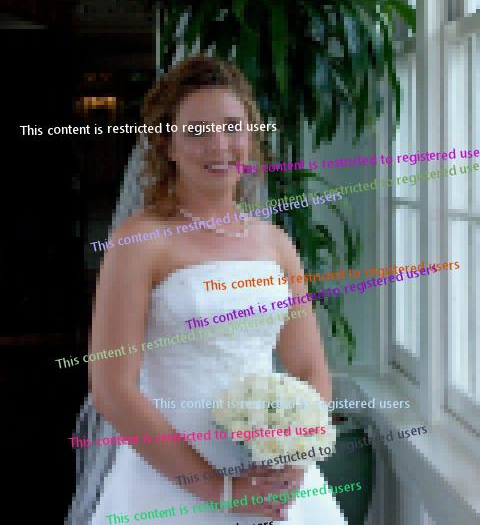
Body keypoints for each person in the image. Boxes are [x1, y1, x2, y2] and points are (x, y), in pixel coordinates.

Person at [69, 55, 346, 524]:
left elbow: (309, 367)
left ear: (251, 136)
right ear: (167, 144)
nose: (219, 145)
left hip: (271, 477)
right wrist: (220, 490)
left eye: (233, 127)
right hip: (167, 480)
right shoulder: (140, 241)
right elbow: (112, 389)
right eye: (197, 131)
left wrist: (296, 452)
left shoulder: (276, 244)